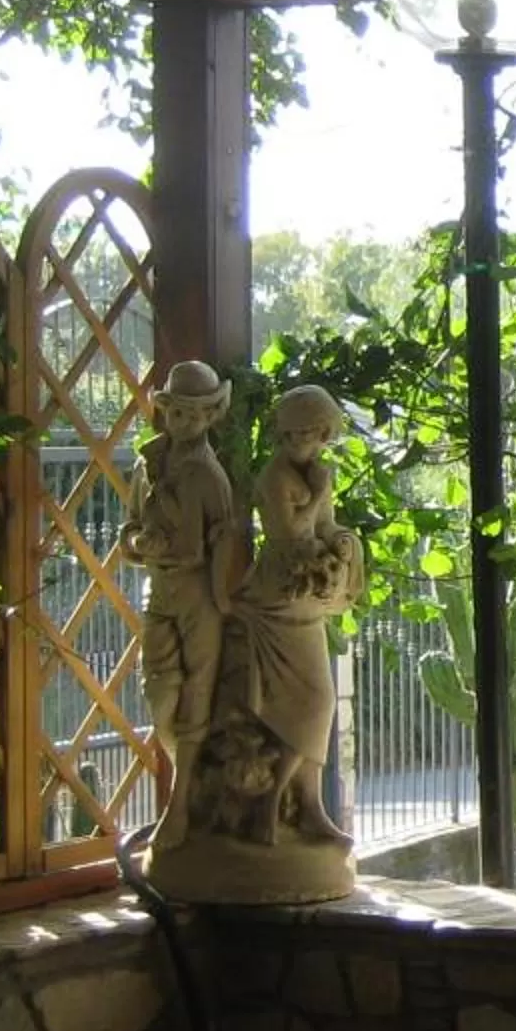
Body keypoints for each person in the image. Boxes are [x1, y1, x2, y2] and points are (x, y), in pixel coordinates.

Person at [196, 383, 361, 848]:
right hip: (278, 596)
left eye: (306, 436)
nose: (297, 444)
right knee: (312, 703)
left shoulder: (317, 472)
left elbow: (324, 527)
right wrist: (318, 496)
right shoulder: (274, 478)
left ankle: (301, 806)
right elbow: (290, 533)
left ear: (324, 435)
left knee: (316, 704)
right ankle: (280, 808)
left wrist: (343, 543)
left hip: (305, 596)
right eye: (289, 436)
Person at [126, 360, 235, 839]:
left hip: (198, 597)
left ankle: (187, 805)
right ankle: (188, 794)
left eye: (196, 415)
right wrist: (137, 546)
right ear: (164, 410)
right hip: (159, 589)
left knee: (197, 697)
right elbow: (129, 528)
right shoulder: (146, 465)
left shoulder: (211, 477)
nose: (185, 422)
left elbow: (225, 547)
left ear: (211, 417)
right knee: (159, 691)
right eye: (177, 412)